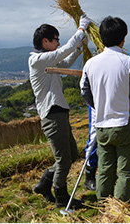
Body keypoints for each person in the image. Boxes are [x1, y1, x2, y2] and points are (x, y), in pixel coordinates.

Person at [80, 16, 130, 202]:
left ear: (101, 37)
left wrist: (100, 105)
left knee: (105, 168)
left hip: (102, 126)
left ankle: (103, 205)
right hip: (126, 125)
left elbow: (84, 92)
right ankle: (120, 208)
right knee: (127, 170)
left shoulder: (90, 64)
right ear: (123, 39)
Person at [30, 15, 91, 209]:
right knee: (63, 159)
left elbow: (66, 61)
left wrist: (80, 47)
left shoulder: (50, 60)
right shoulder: (37, 60)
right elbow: (64, 51)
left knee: (71, 154)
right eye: (55, 39)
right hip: (51, 113)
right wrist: (81, 30)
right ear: (44, 41)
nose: (58, 43)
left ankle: (44, 183)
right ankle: (62, 198)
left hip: (60, 112)